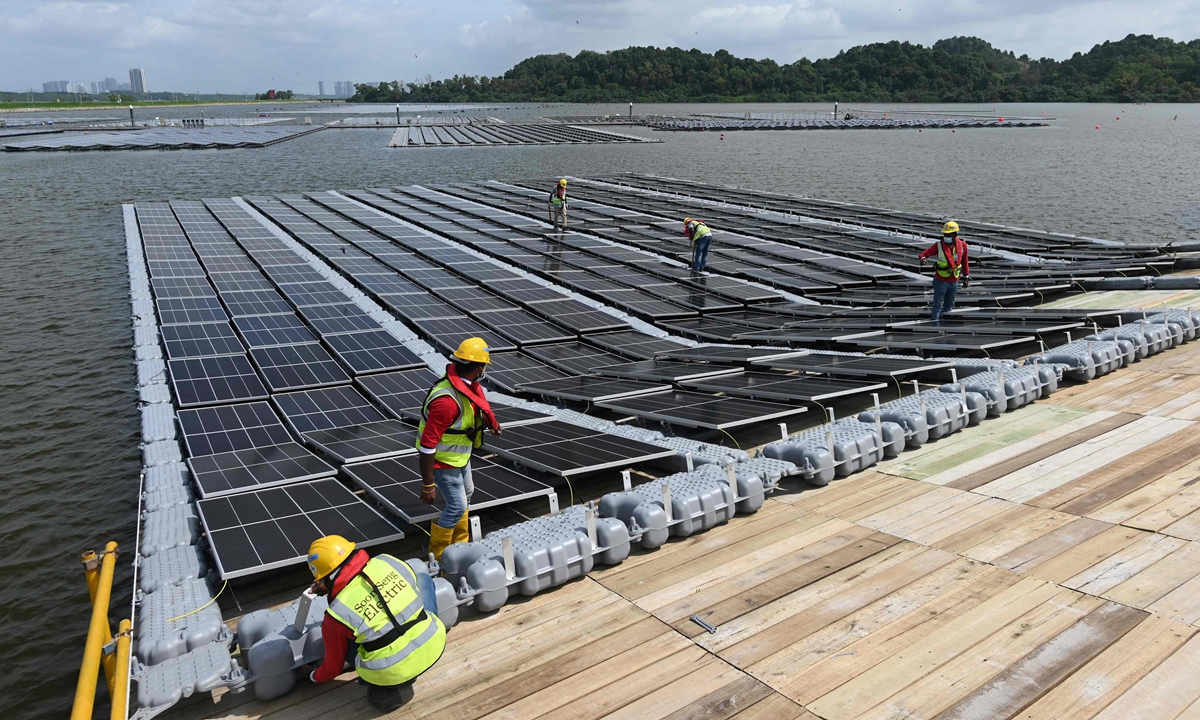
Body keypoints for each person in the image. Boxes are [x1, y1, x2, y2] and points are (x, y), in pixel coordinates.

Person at [304, 535, 446, 712]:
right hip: (434, 641)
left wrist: (313, 677)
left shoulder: (335, 615)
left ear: (327, 577)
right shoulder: (387, 561)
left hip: (390, 669)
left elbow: (332, 668)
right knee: (423, 580)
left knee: (346, 637)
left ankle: (386, 690)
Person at [417, 337, 501, 560]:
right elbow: (427, 445)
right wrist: (428, 484)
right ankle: (439, 556)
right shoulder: (446, 401)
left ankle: (460, 546)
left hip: (460, 457)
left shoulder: (468, 387)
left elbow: (476, 410)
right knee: (456, 506)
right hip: (443, 461)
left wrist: (491, 422)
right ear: (479, 368)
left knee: (468, 493)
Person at [919, 220, 971, 322]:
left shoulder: (962, 246)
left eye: (949, 234)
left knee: (948, 306)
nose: (946, 236)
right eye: (945, 234)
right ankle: (935, 327)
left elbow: (965, 262)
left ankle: (946, 326)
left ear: (955, 234)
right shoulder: (939, 245)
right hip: (941, 281)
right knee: (937, 306)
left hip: (954, 281)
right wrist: (923, 259)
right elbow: (925, 254)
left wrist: (966, 278)